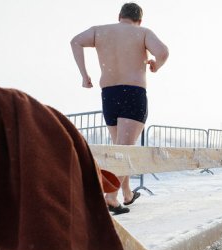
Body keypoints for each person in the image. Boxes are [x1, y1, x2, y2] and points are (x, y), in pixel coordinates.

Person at [71, 2, 169, 214]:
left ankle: (127, 194)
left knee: (120, 147)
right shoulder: (142, 32)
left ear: (119, 16)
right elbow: (163, 52)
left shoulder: (100, 31)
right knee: (125, 150)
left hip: (109, 94)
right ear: (139, 20)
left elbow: (75, 41)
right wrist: (155, 65)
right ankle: (111, 197)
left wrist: (84, 75)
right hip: (132, 92)